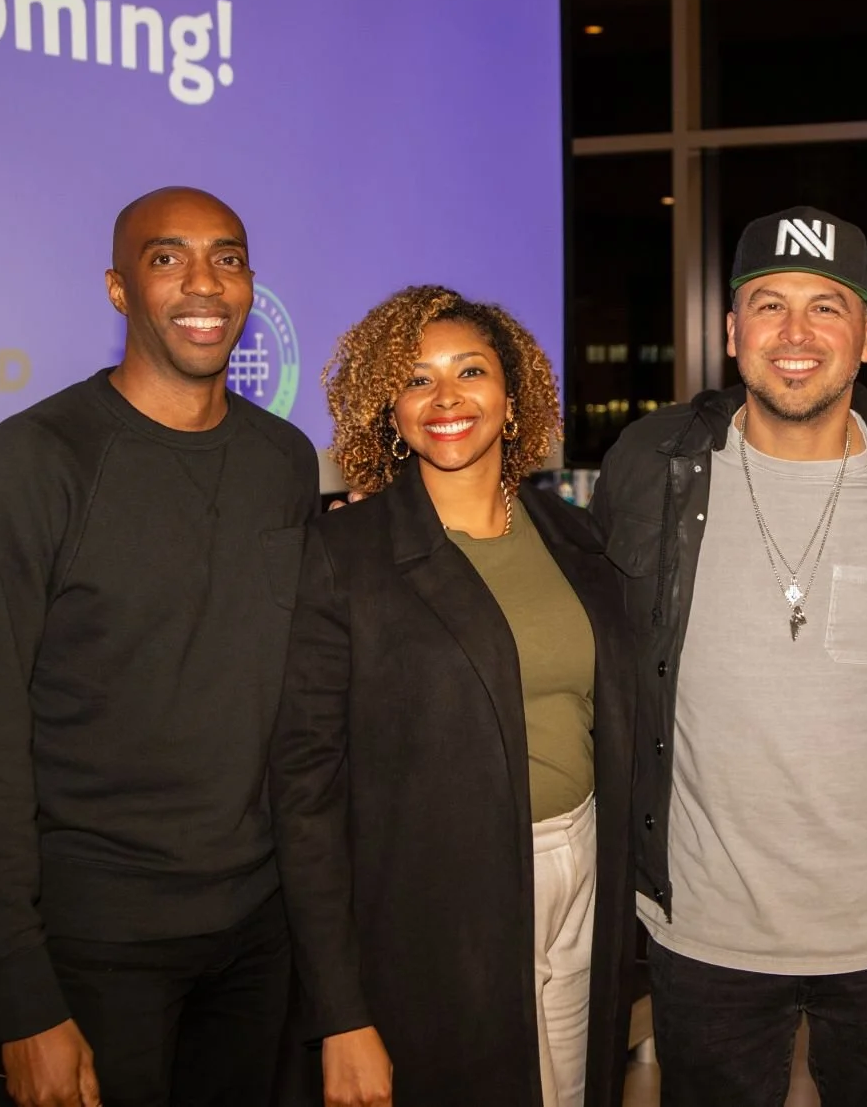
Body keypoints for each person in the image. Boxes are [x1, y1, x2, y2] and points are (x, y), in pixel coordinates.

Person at [0, 188, 321, 1107]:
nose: (204, 284)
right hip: (99, 939)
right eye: (167, 257)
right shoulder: (29, 466)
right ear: (117, 288)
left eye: (227, 257)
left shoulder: (285, 462)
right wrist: (21, 999)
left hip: (262, 928)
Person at [592, 207, 867, 1107]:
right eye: (769, 305)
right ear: (732, 331)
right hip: (702, 934)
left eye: (826, 306)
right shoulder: (649, 467)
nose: (796, 334)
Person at [268, 286, 635, 1107]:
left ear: (512, 396)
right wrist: (341, 1013)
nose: (446, 398)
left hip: (586, 870)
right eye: (416, 379)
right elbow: (305, 799)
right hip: (434, 904)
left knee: (572, 1090)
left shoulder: (573, 537)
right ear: (387, 409)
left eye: (470, 371)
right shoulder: (342, 555)